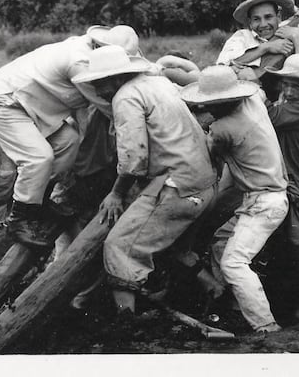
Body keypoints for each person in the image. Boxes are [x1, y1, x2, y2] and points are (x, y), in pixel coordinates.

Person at [72, 45, 218, 317]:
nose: (99, 91)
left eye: (99, 84)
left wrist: (116, 194)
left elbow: (134, 158)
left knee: (119, 247)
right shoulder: (158, 83)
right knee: (175, 247)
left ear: (113, 79)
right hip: (204, 184)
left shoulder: (125, 98)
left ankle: (125, 320)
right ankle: (215, 291)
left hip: (178, 187)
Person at [0, 25, 131, 247]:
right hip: (3, 101)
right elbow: (110, 108)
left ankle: (38, 202)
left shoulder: (88, 51)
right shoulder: (82, 63)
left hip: (30, 103)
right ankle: (18, 219)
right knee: (39, 157)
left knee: (68, 141)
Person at [183, 65, 288, 333]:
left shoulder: (222, 129)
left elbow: (209, 153)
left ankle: (266, 325)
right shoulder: (253, 101)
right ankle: (227, 302)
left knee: (234, 261)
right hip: (267, 196)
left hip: (264, 202)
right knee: (221, 242)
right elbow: (259, 92)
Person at [262, 53, 299, 323]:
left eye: (296, 85)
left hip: (293, 181)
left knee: (298, 247)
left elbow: (270, 117)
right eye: (285, 84)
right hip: (280, 178)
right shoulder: (291, 102)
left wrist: (255, 92)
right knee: (279, 244)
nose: (288, 90)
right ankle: (283, 306)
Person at [216, 0, 297, 68]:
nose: (263, 24)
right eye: (256, 19)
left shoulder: (288, 29)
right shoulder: (242, 36)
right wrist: (266, 47)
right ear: (250, 22)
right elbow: (224, 64)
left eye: (268, 17)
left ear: (278, 17)